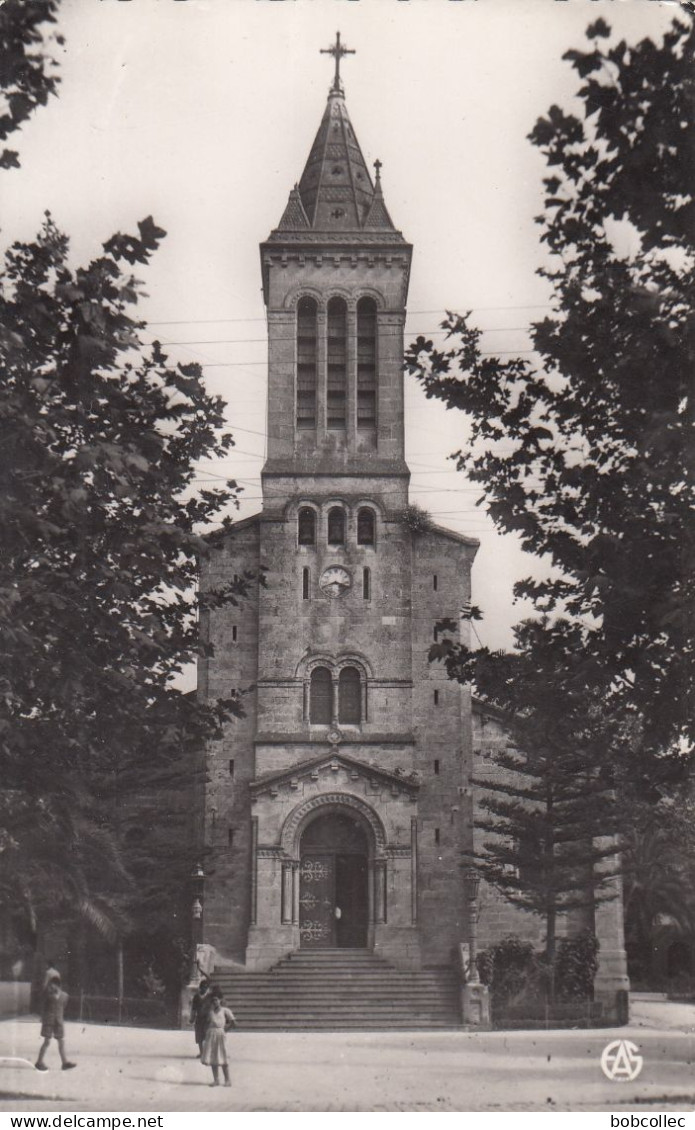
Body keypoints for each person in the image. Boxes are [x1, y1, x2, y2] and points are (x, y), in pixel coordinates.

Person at [35, 973, 76, 1071]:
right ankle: (39, 1062)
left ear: (58, 985)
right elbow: (43, 1007)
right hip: (48, 1021)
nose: (50, 987)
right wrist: (43, 1017)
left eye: (52, 985)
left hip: (58, 1021)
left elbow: (63, 1006)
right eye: (49, 985)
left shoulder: (65, 996)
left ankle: (64, 1063)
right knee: (47, 1042)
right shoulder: (47, 995)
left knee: (61, 1042)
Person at [200, 991, 236, 1087]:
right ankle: (216, 1080)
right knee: (213, 1056)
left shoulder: (225, 1011)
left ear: (220, 1000)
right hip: (211, 1035)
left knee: (222, 1055)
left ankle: (227, 1080)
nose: (214, 1002)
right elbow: (205, 1022)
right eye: (213, 1000)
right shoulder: (210, 1012)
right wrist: (206, 1032)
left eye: (216, 1000)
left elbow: (233, 1023)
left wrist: (224, 1030)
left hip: (220, 1034)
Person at [189, 977, 212, 1057]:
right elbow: (193, 1008)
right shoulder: (196, 997)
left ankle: (206, 1052)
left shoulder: (210, 997)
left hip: (208, 1019)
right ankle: (201, 1052)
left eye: (206, 987)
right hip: (199, 1018)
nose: (204, 989)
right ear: (200, 987)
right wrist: (192, 1018)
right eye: (202, 987)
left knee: (207, 1035)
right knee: (199, 1036)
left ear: (208, 988)